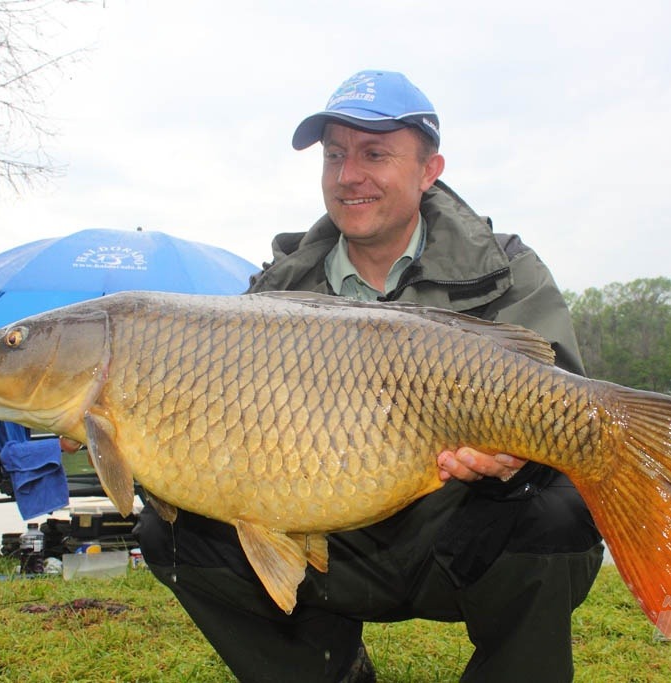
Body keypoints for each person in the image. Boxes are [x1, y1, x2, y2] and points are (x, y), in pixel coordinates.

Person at [137, 70, 603, 682]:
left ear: (429, 169)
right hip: (328, 537)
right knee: (171, 531)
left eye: (374, 154)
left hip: (457, 529)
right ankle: (328, 670)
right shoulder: (276, 292)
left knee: (560, 514)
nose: (347, 175)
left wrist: (516, 460)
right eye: (334, 155)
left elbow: (560, 390)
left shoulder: (504, 268)